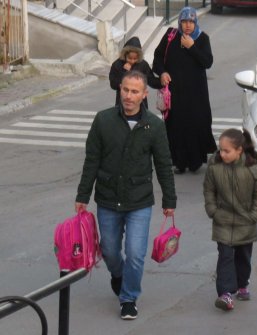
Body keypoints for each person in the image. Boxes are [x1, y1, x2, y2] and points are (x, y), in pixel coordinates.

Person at [74, 70, 177, 320]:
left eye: (134, 92)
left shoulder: (154, 125)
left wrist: (169, 200)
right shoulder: (103, 120)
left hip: (139, 200)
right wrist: (83, 195)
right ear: (119, 89)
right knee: (109, 250)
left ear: (144, 95)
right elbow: (92, 160)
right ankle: (118, 276)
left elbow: (163, 163)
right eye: (125, 90)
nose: (128, 96)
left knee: (135, 253)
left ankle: (129, 297)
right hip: (108, 198)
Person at [203, 128, 257, 311]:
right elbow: (209, 190)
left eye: (226, 151)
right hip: (222, 221)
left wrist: (254, 215)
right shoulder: (215, 168)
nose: (221, 154)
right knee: (225, 257)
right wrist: (212, 210)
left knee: (243, 257)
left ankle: (242, 284)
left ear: (239, 150)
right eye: (220, 150)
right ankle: (225, 294)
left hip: (245, 222)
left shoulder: (254, 169)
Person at [153, 6, 216, 174]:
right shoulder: (170, 36)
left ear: (195, 22)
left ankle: (195, 161)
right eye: (184, 21)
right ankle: (178, 162)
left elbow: (207, 62)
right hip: (175, 94)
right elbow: (157, 58)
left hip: (196, 95)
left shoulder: (202, 39)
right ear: (179, 22)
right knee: (175, 126)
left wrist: (191, 46)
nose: (187, 25)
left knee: (196, 125)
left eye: (191, 22)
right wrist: (162, 72)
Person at [109, 36, 161, 109]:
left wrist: (162, 82)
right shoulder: (117, 64)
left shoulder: (143, 64)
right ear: (125, 55)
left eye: (135, 59)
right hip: (122, 104)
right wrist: (125, 72)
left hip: (141, 105)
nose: (132, 61)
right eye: (130, 58)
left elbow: (151, 80)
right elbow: (113, 84)